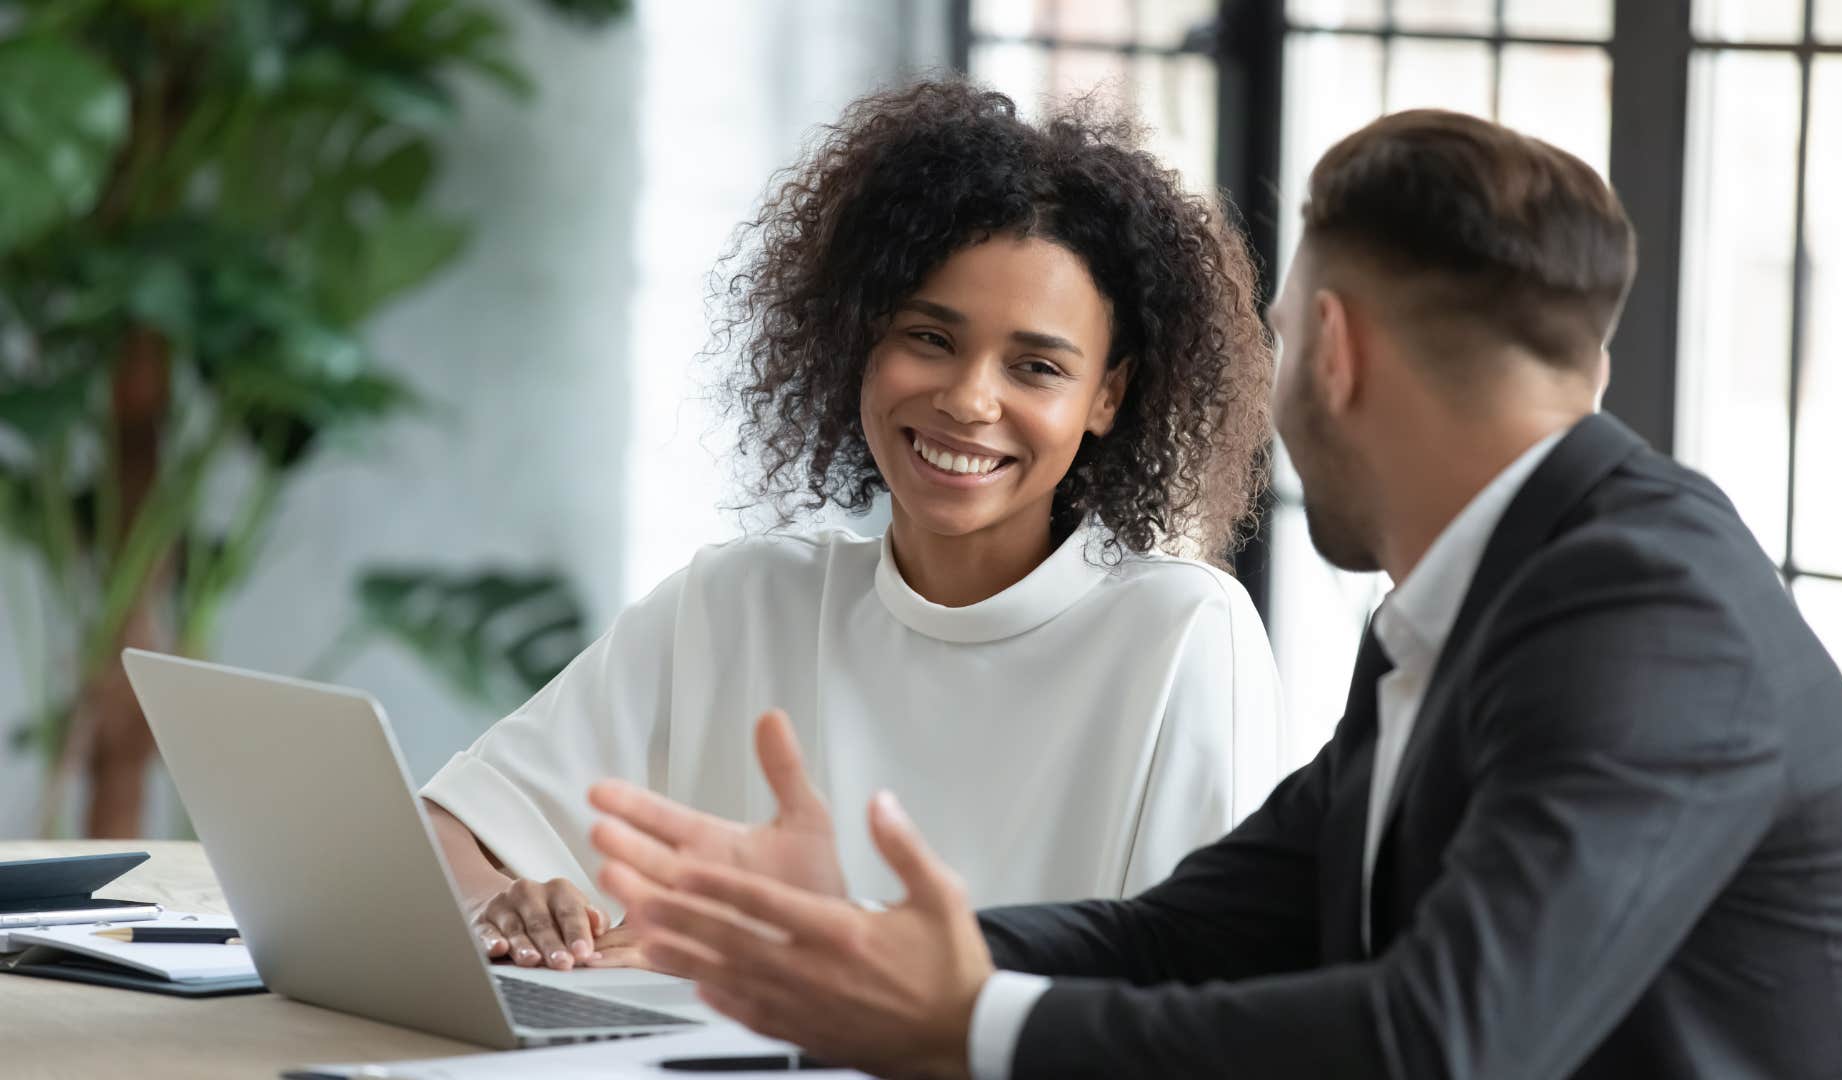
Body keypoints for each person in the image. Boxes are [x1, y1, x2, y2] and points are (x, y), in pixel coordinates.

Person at [586, 109, 1842, 1078]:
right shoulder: (1475, 607)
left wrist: (973, 1024)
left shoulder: (1649, 617)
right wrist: (852, 947)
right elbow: (1196, 933)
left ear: (1331, 350)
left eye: (1278, 341)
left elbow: (1439, 1042)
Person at [418, 78, 1283, 974]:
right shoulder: (739, 601)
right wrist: (498, 906)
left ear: (1108, 395)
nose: (969, 400)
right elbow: (440, 830)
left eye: (1035, 367)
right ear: (861, 338)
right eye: (931, 339)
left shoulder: (1182, 636)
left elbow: (1195, 997)